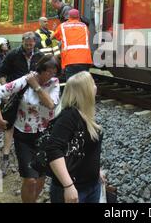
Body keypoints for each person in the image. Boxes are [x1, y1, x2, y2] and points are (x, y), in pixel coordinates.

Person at [0, 55, 60, 203]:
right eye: (49, 72)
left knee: (41, 177)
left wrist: (37, 87)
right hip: (23, 136)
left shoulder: (54, 83)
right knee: (30, 180)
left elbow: (51, 104)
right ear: (40, 70)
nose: (52, 75)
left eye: (55, 72)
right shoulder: (25, 80)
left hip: (44, 135)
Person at [45, 71, 104, 203]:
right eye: (93, 83)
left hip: (92, 186)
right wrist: (68, 186)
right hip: (75, 189)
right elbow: (53, 150)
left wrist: (96, 171)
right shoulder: (69, 116)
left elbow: (86, 150)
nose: (95, 87)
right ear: (85, 91)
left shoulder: (85, 113)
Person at [0, 32, 45, 175]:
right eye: (26, 44)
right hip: (15, 97)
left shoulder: (40, 55)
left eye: (31, 44)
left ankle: (34, 156)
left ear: (35, 43)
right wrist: (6, 92)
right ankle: (5, 158)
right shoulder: (13, 55)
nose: (29, 47)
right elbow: (2, 74)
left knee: (36, 123)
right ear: (22, 42)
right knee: (9, 126)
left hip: (34, 97)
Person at [52, 9, 93, 81]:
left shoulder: (62, 26)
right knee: (83, 82)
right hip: (85, 59)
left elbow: (55, 37)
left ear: (68, 17)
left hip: (70, 59)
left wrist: (54, 29)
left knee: (72, 83)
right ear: (79, 17)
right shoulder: (84, 26)